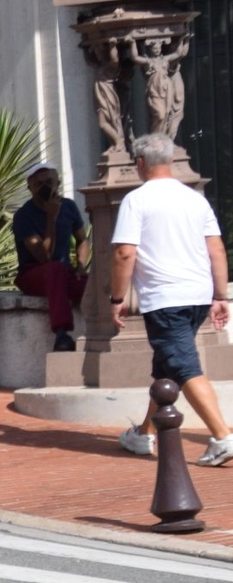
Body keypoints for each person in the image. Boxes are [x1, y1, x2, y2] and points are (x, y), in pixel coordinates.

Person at [111, 133, 233, 465]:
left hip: (165, 299)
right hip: (196, 295)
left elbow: (124, 254)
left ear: (139, 164)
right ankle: (144, 434)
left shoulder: (137, 200)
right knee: (166, 368)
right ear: (170, 161)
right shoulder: (195, 199)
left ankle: (223, 437)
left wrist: (116, 298)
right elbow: (216, 249)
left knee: (183, 366)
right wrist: (220, 295)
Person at [12, 161, 89, 352]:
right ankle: (62, 333)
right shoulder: (23, 215)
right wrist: (51, 218)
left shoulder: (69, 207)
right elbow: (43, 257)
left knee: (92, 283)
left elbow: (83, 240)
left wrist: (80, 265)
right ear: (29, 188)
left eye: (48, 182)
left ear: (58, 183)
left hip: (62, 273)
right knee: (55, 269)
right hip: (33, 274)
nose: (45, 188)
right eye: (38, 184)